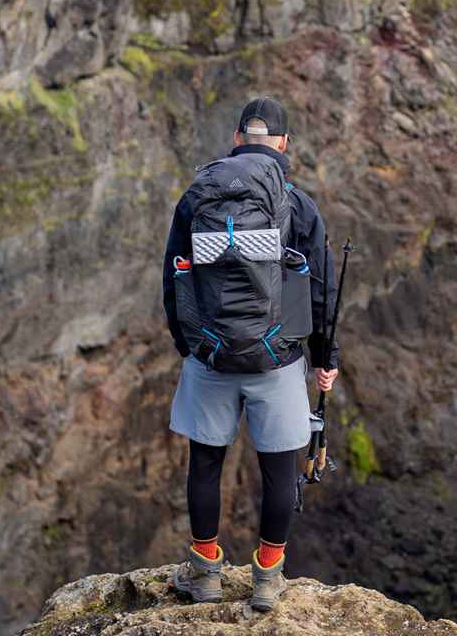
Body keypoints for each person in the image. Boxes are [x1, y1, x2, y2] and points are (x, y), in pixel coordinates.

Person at [160, 97, 340, 611]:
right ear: (283, 144)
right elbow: (321, 291)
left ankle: (205, 571)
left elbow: (173, 280)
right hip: (277, 360)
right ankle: (266, 578)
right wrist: (326, 357)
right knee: (279, 473)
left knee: (206, 466)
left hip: (211, 358)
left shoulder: (197, 198)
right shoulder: (299, 205)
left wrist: (191, 348)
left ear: (238, 138)